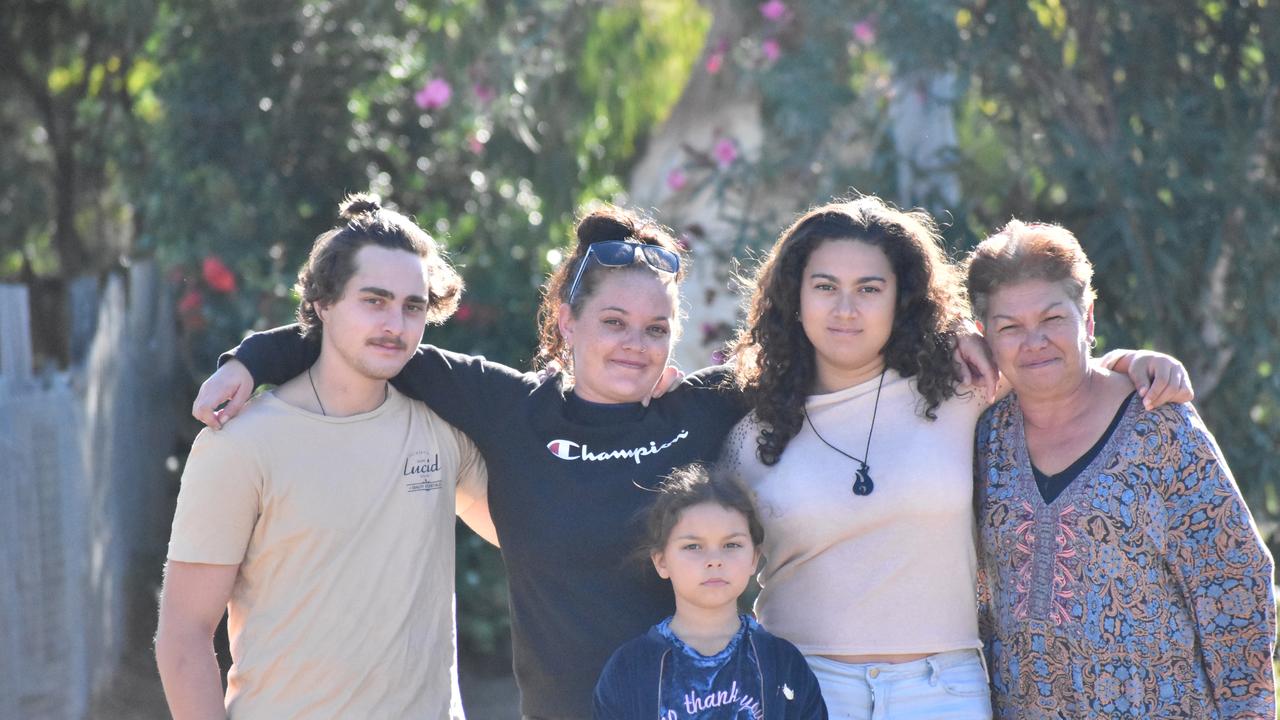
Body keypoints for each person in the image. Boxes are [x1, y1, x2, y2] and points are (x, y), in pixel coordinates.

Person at [191, 206, 748, 719]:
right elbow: (366, 338)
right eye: (614, 321)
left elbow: (805, 354)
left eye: (656, 328)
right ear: (567, 322)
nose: (636, 343)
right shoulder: (511, 409)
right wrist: (251, 360)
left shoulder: (701, 409)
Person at [719, 197, 1193, 719]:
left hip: (944, 691)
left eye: (870, 289)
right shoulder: (749, 432)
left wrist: (1131, 362)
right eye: (825, 287)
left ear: (903, 298)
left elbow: (1055, 363)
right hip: (800, 688)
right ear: (796, 297)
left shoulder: (963, 388)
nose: (846, 308)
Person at [154, 195, 491, 719]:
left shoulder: (443, 429)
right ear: (323, 303)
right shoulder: (239, 443)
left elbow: (530, 536)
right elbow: (183, 637)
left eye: (413, 306)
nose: (396, 325)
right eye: (374, 301)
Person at [965, 220, 1275, 718]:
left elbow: (1235, 578)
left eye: (1053, 318)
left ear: (1087, 319)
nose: (1035, 341)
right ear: (986, 338)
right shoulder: (982, 438)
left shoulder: (1159, 426)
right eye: (1010, 327)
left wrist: (1248, 712)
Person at [592, 464, 827, 719]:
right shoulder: (630, 668)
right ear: (661, 561)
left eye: (731, 544)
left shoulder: (782, 663)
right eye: (693, 546)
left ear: (753, 558)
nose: (714, 560)